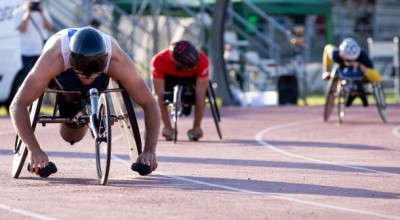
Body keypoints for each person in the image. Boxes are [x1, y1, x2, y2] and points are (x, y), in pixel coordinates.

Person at [9, 27, 160, 176]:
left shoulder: (117, 60)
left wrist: (150, 150)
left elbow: (151, 104)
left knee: (90, 93)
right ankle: (71, 99)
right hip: (65, 78)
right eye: (83, 75)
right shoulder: (54, 58)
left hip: (99, 81)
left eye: (92, 75)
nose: (87, 80)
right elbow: (18, 104)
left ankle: (91, 102)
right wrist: (34, 150)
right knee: (70, 134)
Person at [151, 40, 209, 141]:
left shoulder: (203, 60)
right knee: (156, 95)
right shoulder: (159, 60)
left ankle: (196, 127)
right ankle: (168, 126)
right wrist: (167, 125)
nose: (191, 68)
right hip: (168, 80)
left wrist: (197, 127)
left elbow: (200, 93)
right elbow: (158, 93)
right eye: (189, 67)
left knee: (201, 93)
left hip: (192, 81)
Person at [322, 37, 381, 107]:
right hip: (344, 71)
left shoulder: (363, 56)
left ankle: (360, 92)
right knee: (340, 74)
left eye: (354, 59)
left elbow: (377, 77)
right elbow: (327, 48)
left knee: (359, 77)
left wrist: (361, 67)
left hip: (361, 74)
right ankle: (351, 92)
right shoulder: (335, 55)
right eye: (349, 60)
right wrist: (326, 71)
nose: (352, 62)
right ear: (341, 55)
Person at [13, 0, 53, 79]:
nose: (33, 5)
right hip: (27, 53)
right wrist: (28, 12)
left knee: (42, 79)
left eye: (35, 3)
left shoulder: (43, 11)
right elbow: (22, 29)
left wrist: (41, 13)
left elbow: (49, 27)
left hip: (41, 52)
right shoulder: (18, 12)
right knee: (28, 79)